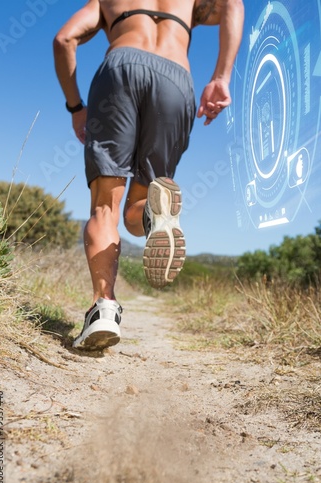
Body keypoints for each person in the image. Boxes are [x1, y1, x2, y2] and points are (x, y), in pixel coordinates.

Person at [53, 0, 245, 351]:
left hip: (120, 70)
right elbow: (232, 4)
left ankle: (104, 308)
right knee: (136, 211)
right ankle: (157, 215)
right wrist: (221, 76)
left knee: (104, 210)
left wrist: (76, 107)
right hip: (176, 78)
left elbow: (64, 39)